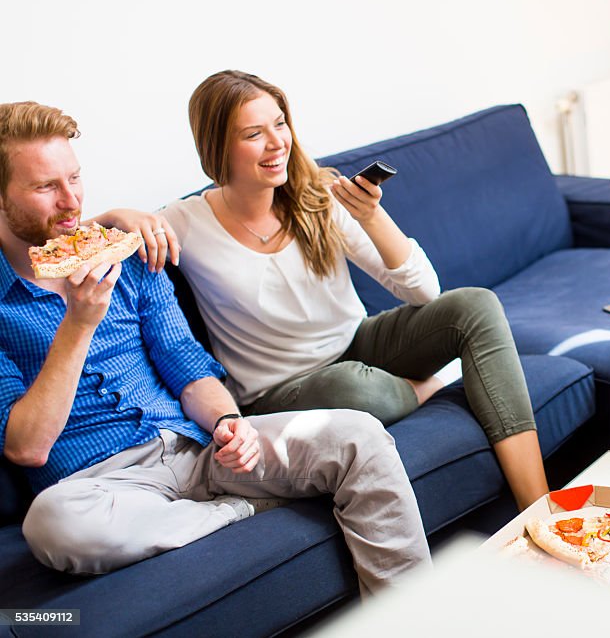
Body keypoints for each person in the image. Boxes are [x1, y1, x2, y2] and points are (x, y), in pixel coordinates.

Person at [0, 101, 430, 589]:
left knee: (359, 434)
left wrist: (229, 424)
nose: (71, 201)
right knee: (51, 525)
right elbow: (27, 446)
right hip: (104, 488)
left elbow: (188, 368)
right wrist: (79, 325)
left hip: (198, 449)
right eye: (45, 187)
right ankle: (240, 509)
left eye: (74, 178)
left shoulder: (124, 253)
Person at [154, 70, 548, 510]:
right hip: (280, 390)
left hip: (358, 345)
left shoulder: (318, 195)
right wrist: (120, 215)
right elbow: (81, 239)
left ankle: (538, 508)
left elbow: (424, 293)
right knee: (353, 390)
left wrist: (372, 217)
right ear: (217, 147)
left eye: (280, 124)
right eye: (253, 133)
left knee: (475, 305)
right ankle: (425, 388)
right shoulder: (186, 222)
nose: (276, 142)